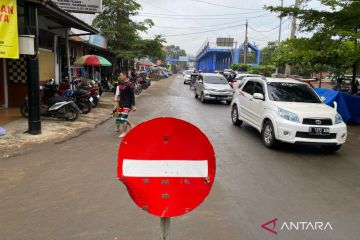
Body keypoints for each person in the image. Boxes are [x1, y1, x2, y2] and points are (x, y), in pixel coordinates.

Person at [116, 71, 136, 138]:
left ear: (125, 75)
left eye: (121, 75)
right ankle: (132, 125)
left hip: (127, 104)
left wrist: (133, 105)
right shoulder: (122, 83)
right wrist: (118, 96)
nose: (120, 76)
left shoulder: (130, 84)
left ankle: (124, 132)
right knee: (120, 118)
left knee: (123, 118)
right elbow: (120, 92)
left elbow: (132, 96)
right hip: (121, 103)